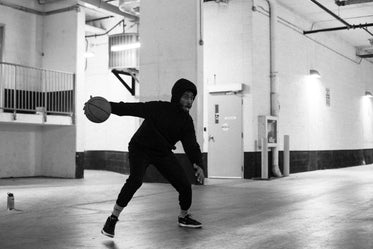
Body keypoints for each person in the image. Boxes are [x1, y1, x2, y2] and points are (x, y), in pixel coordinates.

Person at [101, 78, 205, 238]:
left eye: (192, 97)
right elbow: (130, 108)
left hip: (162, 152)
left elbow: (191, 146)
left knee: (185, 185)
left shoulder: (186, 122)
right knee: (135, 180)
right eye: (186, 96)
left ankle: (184, 216)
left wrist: (198, 164)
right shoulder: (159, 108)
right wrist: (108, 106)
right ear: (177, 96)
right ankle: (112, 218)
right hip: (140, 147)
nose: (189, 101)